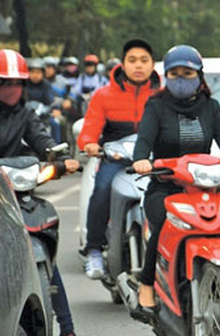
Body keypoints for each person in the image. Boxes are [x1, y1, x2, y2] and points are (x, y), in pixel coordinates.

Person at [131, 44, 220, 319]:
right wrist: (141, 159)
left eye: (188, 73)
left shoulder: (211, 107)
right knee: (159, 227)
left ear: (199, 76)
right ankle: (147, 285)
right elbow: (144, 140)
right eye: (175, 73)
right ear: (166, 76)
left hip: (204, 188)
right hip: (165, 186)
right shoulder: (156, 106)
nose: (181, 79)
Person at [0, 49, 80, 336]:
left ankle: (68, 328)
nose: (11, 90)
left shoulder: (25, 114)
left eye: (16, 83)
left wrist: (58, 157)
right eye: (4, 83)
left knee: (42, 243)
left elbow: (42, 138)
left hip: (16, 195)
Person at [77, 39, 161, 279]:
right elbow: (90, 128)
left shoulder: (162, 96)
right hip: (115, 158)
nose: (138, 66)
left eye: (144, 61)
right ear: (122, 65)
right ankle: (93, 249)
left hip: (152, 161)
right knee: (101, 188)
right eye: (132, 60)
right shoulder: (103, 95)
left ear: (152, 65)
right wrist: (90, 143)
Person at [25, 58, 63, 143]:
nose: (35, 75)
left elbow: (50, 101)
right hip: (25, 114)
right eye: (33, 72)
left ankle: (56, 148)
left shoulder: (46, 85)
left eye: (38, 72)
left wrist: (54, 109)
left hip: (43, 116)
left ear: (43, 73)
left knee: (55, 123)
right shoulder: (23, 84)